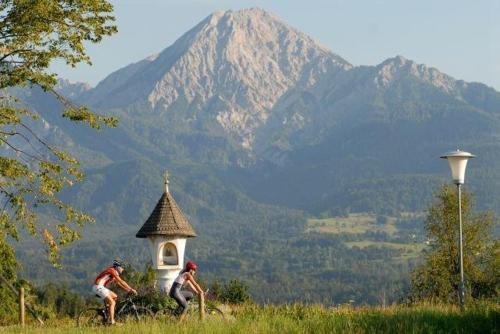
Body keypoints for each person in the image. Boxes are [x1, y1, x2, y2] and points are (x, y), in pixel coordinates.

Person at [92, 260, 137, 325]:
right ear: (117, 267)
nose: (123, 269)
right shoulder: (112, 270)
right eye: (122, 267)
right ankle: (112, 321)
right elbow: (121, 281)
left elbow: (118, 283)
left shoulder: (113, 272)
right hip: (98, 287)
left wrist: (128, 290)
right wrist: (131, 289)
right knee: (112, 302)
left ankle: (107, 313)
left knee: (115, 297)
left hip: (101, 287)